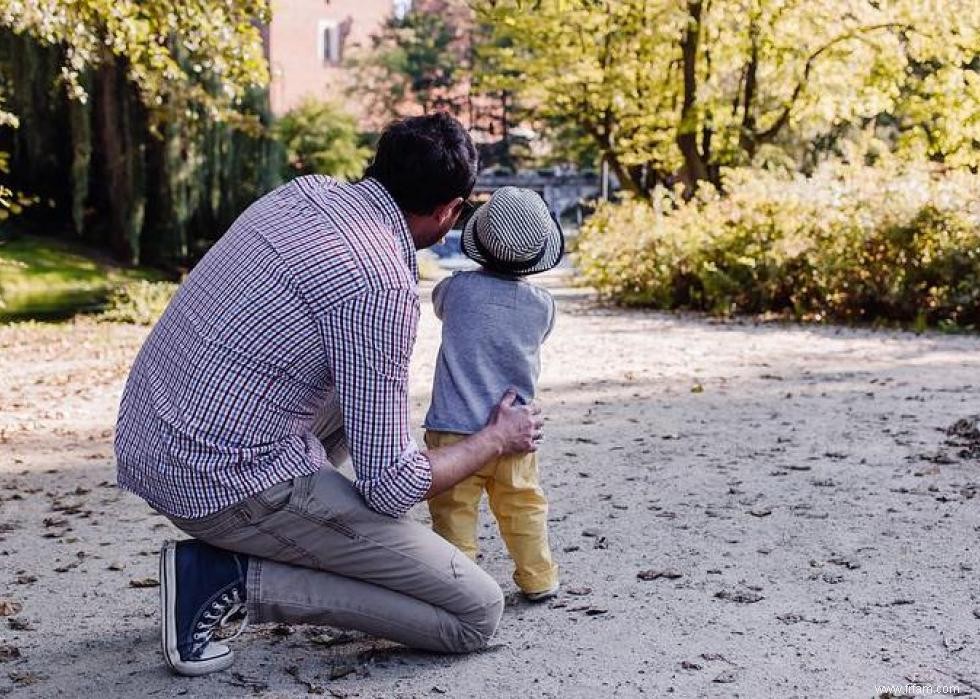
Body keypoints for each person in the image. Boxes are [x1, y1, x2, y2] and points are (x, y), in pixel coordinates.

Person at [113, 113, 545, 677]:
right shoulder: (381, 284)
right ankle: (227, 580)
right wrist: (494, 439)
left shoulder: (304, 192)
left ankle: (309, 529)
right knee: (474, 612)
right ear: (448, 211)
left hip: (153, 438)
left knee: (364, 388)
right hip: (222, 480)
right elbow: (394, 487)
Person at [424, 186, 563, 601]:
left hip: (453, 432)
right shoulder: (542, 305)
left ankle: (459, 585)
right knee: (523, 506)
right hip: (516, 432)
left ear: (478, 242)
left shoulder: (456, 290)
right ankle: (538, 577)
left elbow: (437, 305)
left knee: (453, 513)